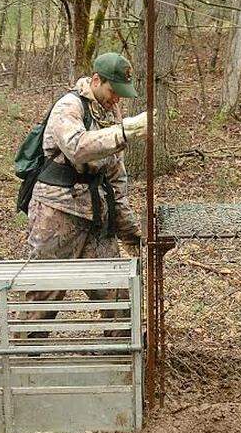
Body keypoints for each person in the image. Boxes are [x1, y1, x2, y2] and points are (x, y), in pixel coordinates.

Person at [22, 52, 148, 337]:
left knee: (116, 290)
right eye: (113, 90)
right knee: (44, 294)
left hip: (95, 216)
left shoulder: (109, 112)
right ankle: (24, 364)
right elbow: (77, 146)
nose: (117, 98)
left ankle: (124, 363)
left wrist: (128, 229)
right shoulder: (69, 106)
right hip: (57, 214)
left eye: (121, 93)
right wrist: (123, 133)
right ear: (95, 80)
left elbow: (115, 174)